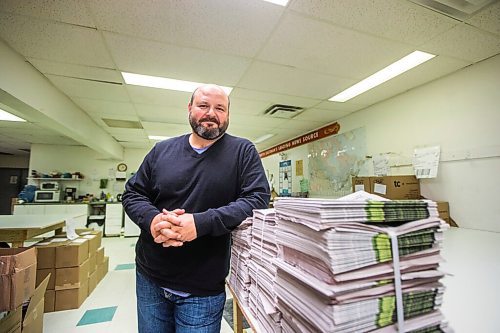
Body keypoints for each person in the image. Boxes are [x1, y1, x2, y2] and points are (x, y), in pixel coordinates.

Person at [122, 84, 270, 333]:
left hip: (203, 288)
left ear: (227, 115)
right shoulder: (161, 151)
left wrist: (200, 224)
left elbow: (257, 199)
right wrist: (153, 221)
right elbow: (133, 193)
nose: (211, 113)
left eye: (220, 108)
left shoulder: (243, 152)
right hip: (151, 277)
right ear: (190, 108)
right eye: (203, 105)